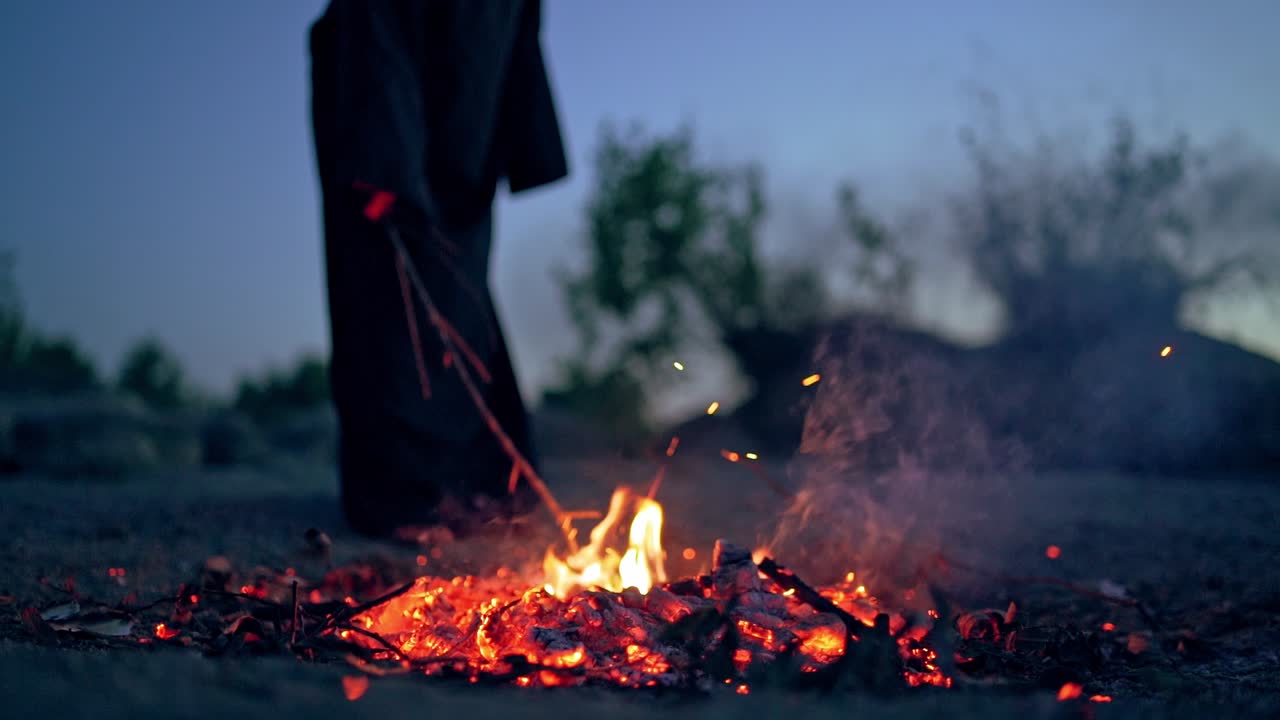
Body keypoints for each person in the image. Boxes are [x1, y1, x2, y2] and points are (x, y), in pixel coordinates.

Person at [307, 1, 568, 540]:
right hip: (386, 124)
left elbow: (520, 29)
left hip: (468, 127)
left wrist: (524, 138)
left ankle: (484, 488)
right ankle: (406, 497)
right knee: (385, 299)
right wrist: (383, 164)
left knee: (460, 299)